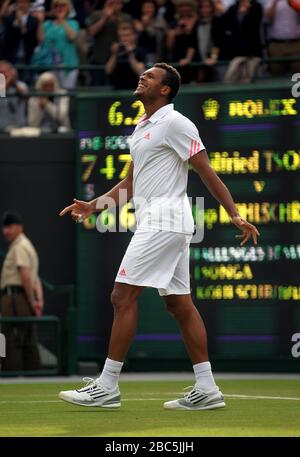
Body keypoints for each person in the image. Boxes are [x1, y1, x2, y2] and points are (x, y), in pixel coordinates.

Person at [59, 62, 259, 410]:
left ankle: (106, 385)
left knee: (121, 296)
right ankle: (207, 387)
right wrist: (94, 205)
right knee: (179, 304)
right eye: (144, 74)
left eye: (150, 76)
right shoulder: (141, 128)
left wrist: (235, 214)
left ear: (165, 89)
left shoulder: (176, 123)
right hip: (161, 222)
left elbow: (206, 171)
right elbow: (132, 184)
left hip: (165, 221)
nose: (142, 77)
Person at [0, 210, 44, 371]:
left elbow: (25, 275)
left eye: (9, 227)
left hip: (15, 298)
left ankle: (11, 374)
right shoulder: (26, 244)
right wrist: (38, 300)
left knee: (10, 338)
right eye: (4, 227)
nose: (6, 231)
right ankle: (35, 374)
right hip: (23, 297)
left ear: (19, 227)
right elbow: (35, 278)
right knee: (27, 337)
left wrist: (32, 301)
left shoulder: (19, 246)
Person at [42, 0, 79, 89]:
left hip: (68, 65)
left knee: (66, 94)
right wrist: (40, 21)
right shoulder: (47, 24)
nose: (59, 8)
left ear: (68, 8)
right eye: (56, 6)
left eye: (62, 6)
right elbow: (41, 40)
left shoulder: (73, 23)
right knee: (54, 93)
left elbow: (72, 37)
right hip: (50, 64)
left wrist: (62, 20)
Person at [105, 23, 145, 90]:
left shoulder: (140, 51)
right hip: (116, 91)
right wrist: (114, 54)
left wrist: (130, 54)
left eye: (127, 35)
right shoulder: (114, 51)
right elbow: (108, 71)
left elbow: (140, 72)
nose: (124, 39)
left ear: (134, 36)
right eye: (121, 36)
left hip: (135, 90)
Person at [0, 60, 28, 132]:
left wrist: (14, 83)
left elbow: (25, 97)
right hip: (2, 128)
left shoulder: (21, 85)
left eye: (5, 72)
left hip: (19, 127)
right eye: (1, 72)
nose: (3, 75)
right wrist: (8, 81)